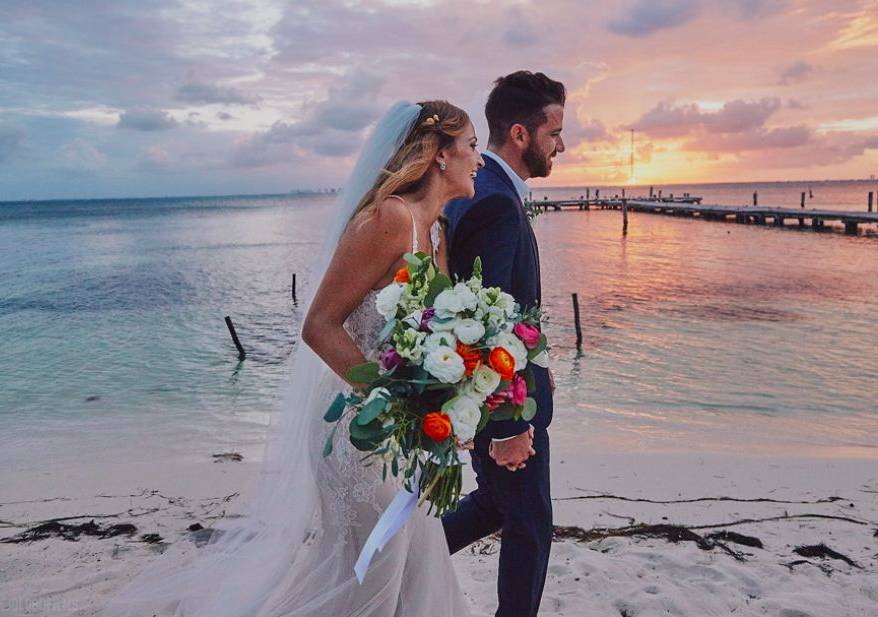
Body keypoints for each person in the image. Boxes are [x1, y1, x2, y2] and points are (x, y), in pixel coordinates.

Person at [105, 100, 483, 617]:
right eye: (471, 145)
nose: (478, 159)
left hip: (406, 438)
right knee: (372, 575)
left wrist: (451, 393)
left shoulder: (437, 230)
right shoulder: (389, 218)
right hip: (360, 431)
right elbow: (320, 324)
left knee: (415, 570)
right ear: (440, 155)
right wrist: (392, 403)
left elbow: (431, 339)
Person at [442, 70, 566, 617]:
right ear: (521, 134)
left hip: (507, 386)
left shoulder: (490, 190)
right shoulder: (494, 202)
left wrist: (540, 365)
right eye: (554, 131)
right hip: (504, 400)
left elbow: (510, 311)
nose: (562, 144)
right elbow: (487, 319)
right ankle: (393, 563)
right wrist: (513, 422)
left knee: (499, 507)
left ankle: (395, 563)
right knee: (530, 525)